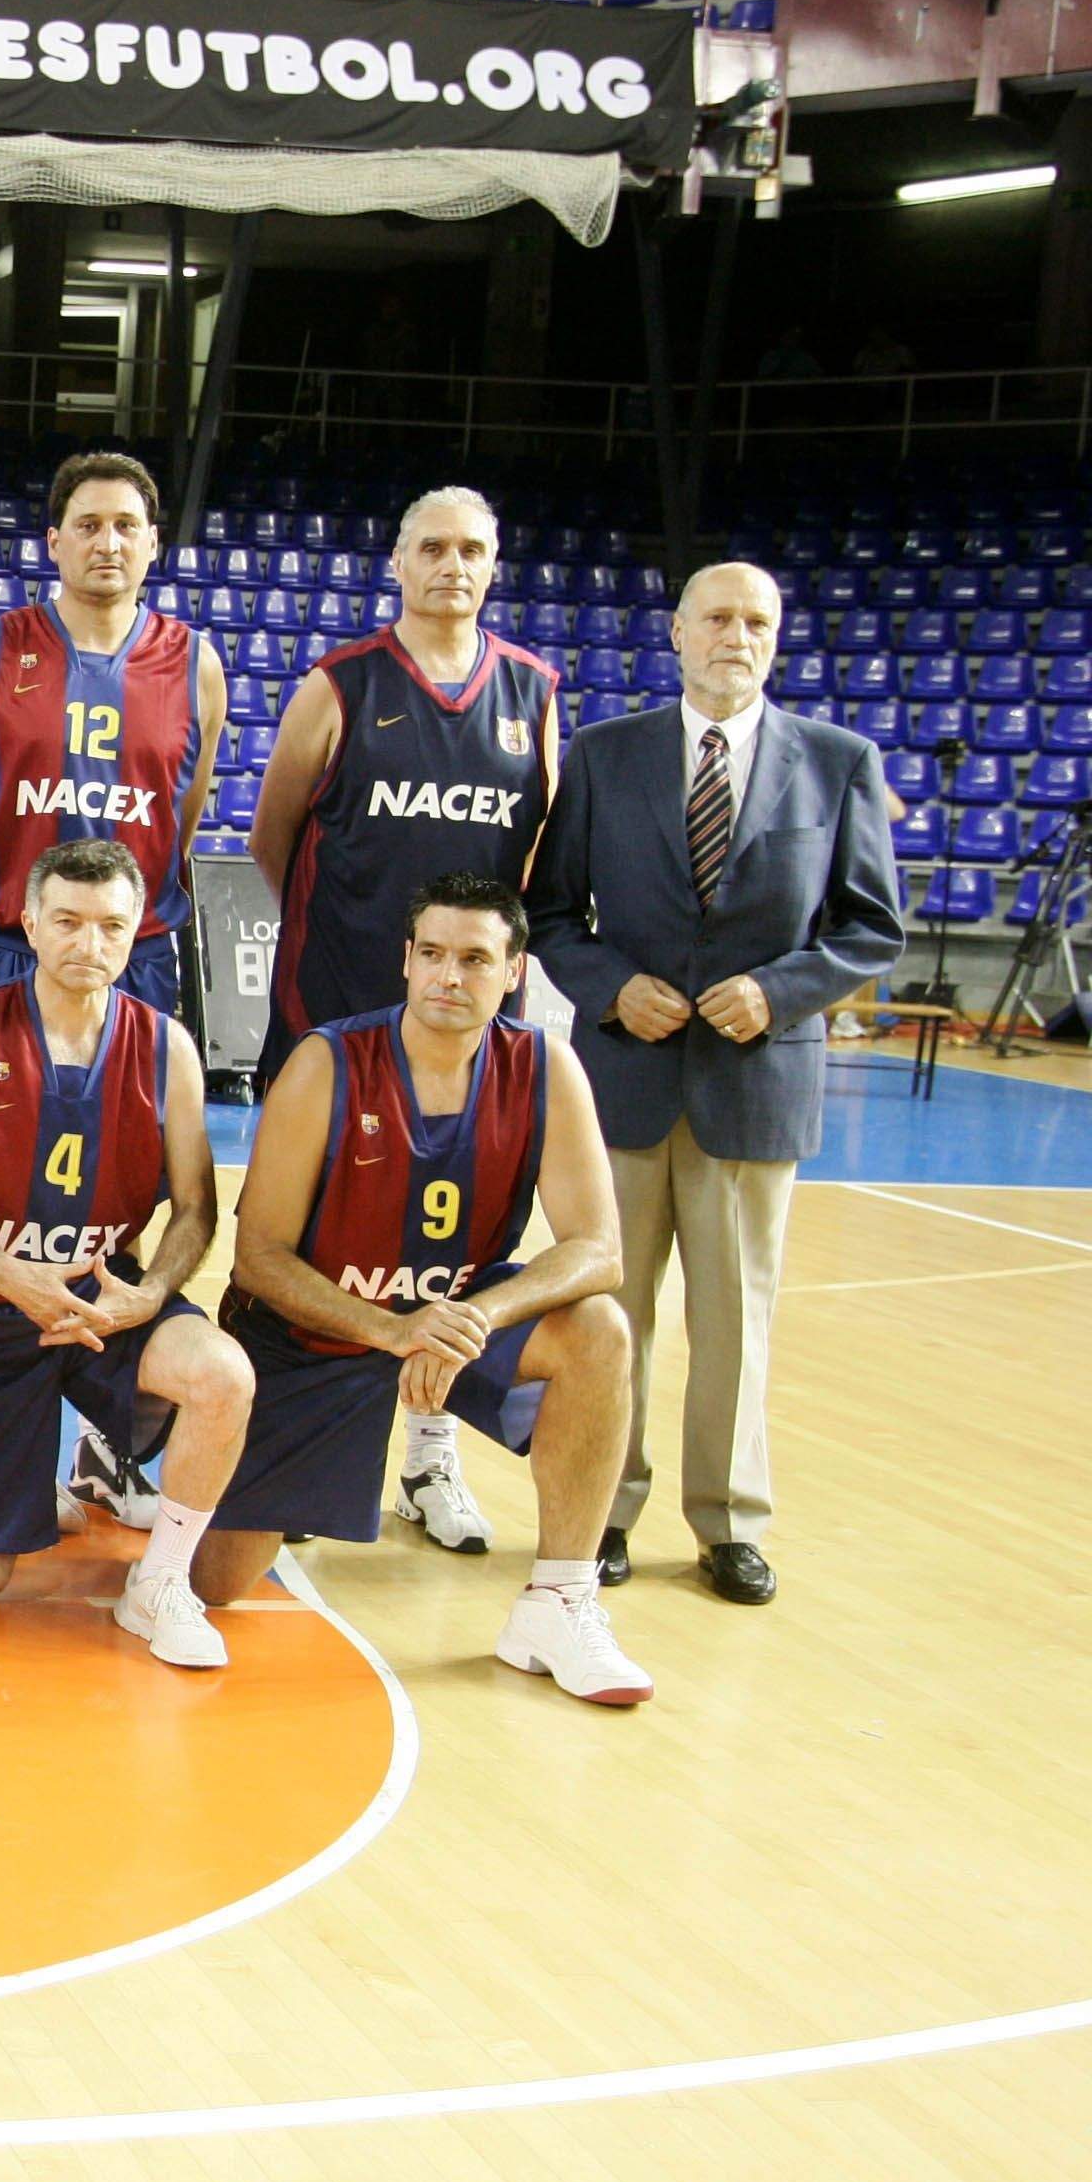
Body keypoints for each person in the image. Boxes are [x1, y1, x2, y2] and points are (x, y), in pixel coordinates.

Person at [525, 562, 903, 1605]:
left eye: (758, 621)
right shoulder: (605, 756)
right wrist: (613, 987)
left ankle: (729, 1519)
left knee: (737, 1318)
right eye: (719, 618)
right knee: (614, 1313)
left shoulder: (839, 763)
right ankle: (601, 1507)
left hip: (754, 1080)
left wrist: (780, 992)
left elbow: (872, 925)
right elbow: (553, 914)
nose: (738, 635)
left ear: (776, 638)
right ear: (679, 633)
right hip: (630, 1077)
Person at [217, 876, 653, 1705]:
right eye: (433, 955)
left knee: (598, 1328)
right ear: (407, 962)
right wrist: (393, 1332)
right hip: (321, 1328)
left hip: (452, 1317)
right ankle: (167, 1458)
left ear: (514, 970)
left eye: (475, 959)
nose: (449, 977)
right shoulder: (328, 1061)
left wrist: (469, 1320)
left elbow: (599, 1250)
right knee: (220, 1584)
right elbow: (259, 1259)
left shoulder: (544, 1067)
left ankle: (561, 1602)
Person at [249, 485, 562, 1556]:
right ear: (398, 561)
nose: (452, 566)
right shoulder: (339, 686)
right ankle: (294, 1454)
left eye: (473, 548)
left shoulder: (533, 691)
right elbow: (272, 837)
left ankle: (431, 1454)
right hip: (338, 1020)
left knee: (456, 1248)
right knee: (316, 1248)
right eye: (432, 546)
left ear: (494, 561)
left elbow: (536, 859)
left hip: (469, 1045)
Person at [0, 838, 249, 1670]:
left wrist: (150, 1291)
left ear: (137, 935)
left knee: (223, 1376)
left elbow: (196, 1207)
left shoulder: (168, 1046)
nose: (91, 945)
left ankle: (158, 1585)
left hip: (100, 1300)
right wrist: (3, 1271)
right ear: (31, 923)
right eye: (70, 923)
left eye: (111, 927)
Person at [0, 449, 224, 1011]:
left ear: (152, 542)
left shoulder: (196, 666)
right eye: (88, 526)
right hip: (1, 943)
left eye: (126, 527)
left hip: (133, 956)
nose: (108, 544)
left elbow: (175, 824)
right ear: (55, 542)